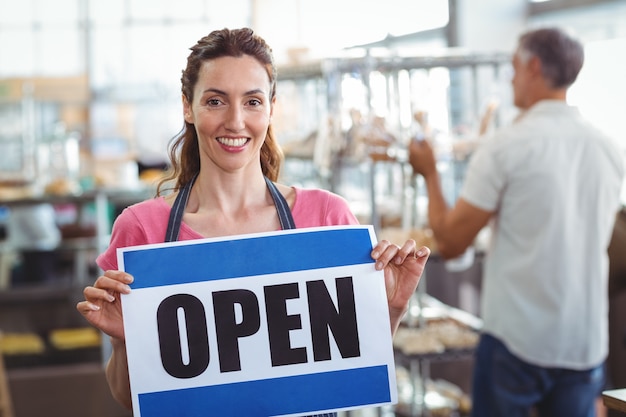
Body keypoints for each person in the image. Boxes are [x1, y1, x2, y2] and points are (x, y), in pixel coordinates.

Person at [76, 27, 430, 414]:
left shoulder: (328, 217)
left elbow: (345, 375)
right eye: (215, 101)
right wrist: (129, 342)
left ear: (271, 109)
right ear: (187, 107)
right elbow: (132, 399)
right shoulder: (142, 230)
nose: (235, 121)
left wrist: (389, 309)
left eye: (252, 102)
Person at [408, 27, 624, 417]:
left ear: (534, 67)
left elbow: (452, 241)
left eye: (513, 68)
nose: (510, 79)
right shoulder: (607, 148)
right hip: (583, 340)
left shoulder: (506, 146)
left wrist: (430, 174)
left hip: (517, 340)